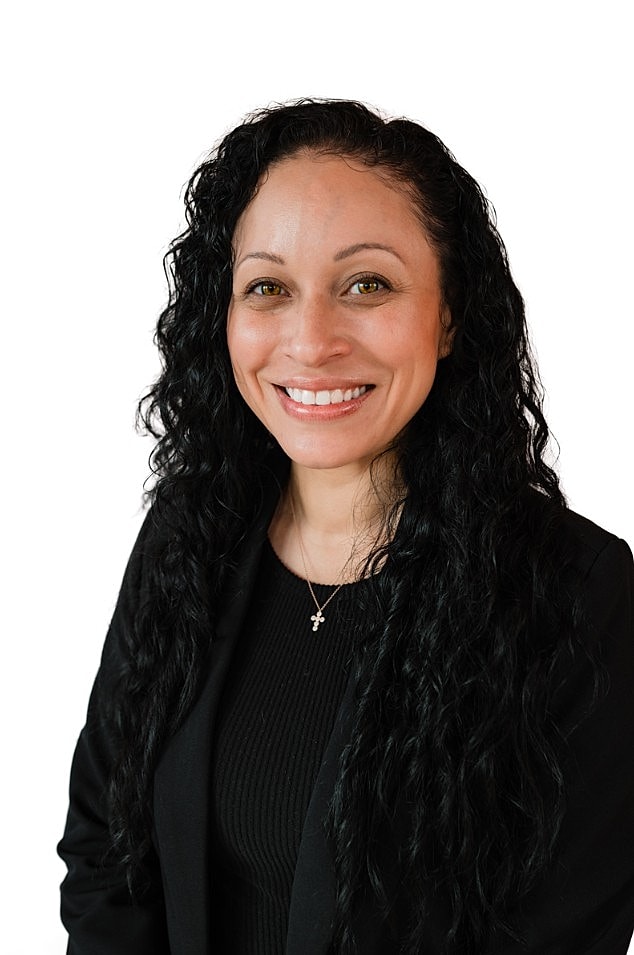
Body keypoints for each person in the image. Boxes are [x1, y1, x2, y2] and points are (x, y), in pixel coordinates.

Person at [58, 99, 634, 955]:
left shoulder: (580, 593)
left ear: (448, 315)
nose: (311, 339)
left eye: (368, 284)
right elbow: (109, 850)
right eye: (268, 287)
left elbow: (564, 930)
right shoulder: (189, 538)